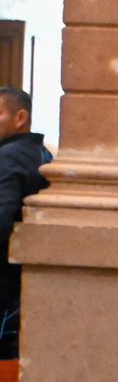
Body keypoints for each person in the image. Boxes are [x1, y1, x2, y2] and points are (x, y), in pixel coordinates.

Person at [0, 87, 52, 358]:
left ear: (20, 117)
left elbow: (2, 214)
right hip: (28, 285)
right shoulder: (43, 155)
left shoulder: (8, 157)